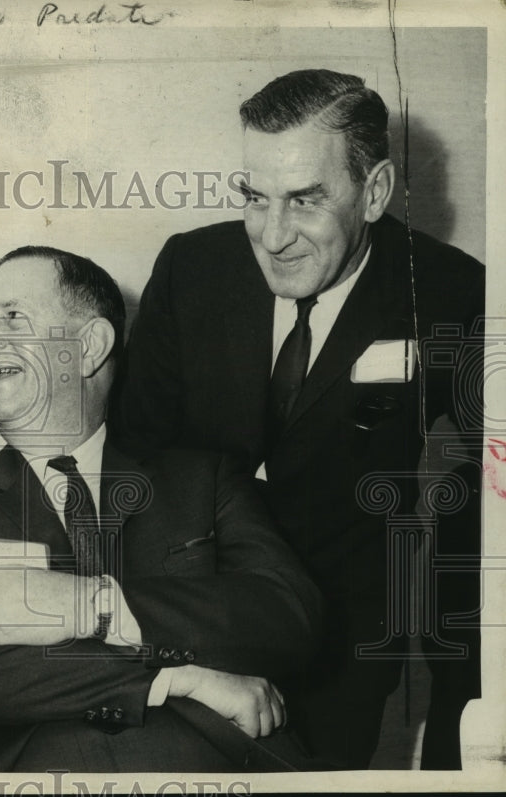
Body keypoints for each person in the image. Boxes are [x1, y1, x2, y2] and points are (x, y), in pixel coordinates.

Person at [111, 69, 485, 769]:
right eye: (255, 197)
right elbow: (134, 457)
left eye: (306, 201)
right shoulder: (192, 267)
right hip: (195, 628)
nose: (272, 236)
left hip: (342, 651)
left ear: (374, 192)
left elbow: (485, 506)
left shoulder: (451, 292)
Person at [0, 246, 323, 772]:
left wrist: (92, 605)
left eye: (12, 317)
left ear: (90, 346)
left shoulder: (204, 480)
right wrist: (176, 679)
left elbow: (290, 616)